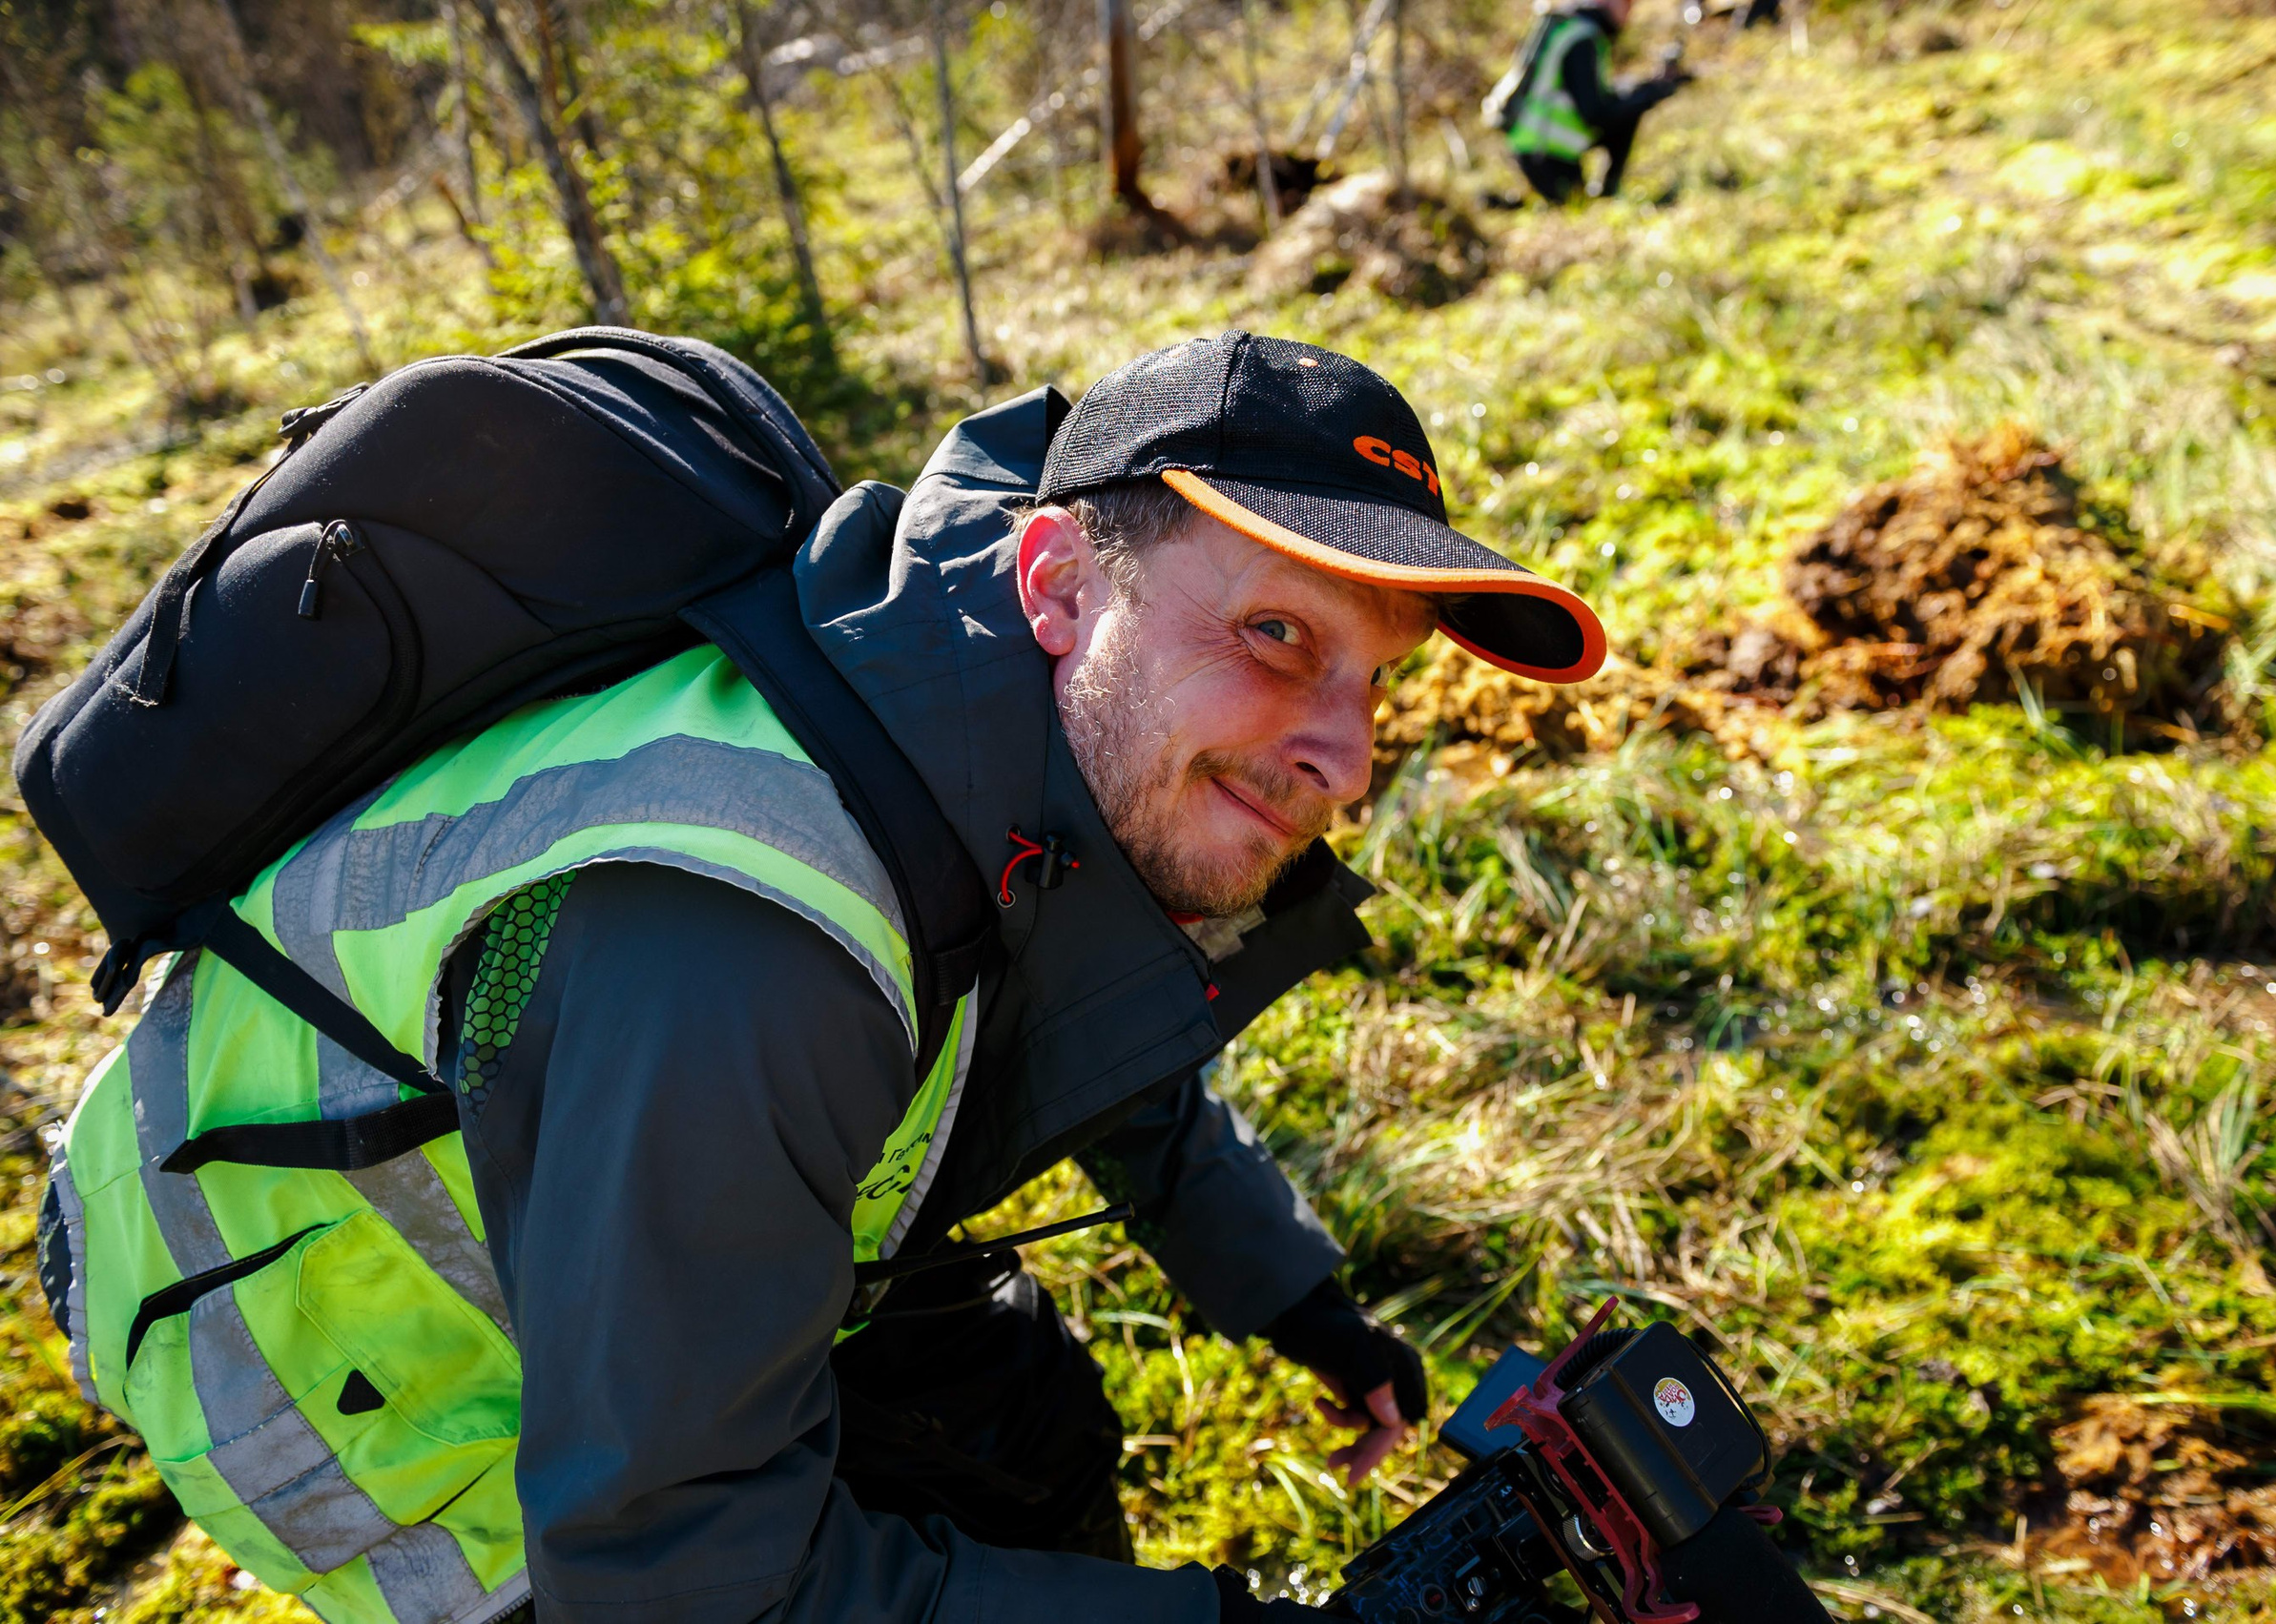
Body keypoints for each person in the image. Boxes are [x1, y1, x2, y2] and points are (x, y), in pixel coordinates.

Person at [100, 331, 1606, 1624]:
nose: (1343, 752)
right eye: (1279, 633)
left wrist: (1307, 1309)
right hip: (335, 1334)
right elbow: (678, 1575)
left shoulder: (986, 690)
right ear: (1060, 579)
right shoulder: (754, 941)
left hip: (634, 1191)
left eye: (1372, 677)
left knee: (1021, 1423)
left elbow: (1098, 1028)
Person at [1498, 0, 1687, 202]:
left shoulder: (1576, 29)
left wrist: (1646, 88)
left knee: (1632, 102)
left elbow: (1600, 98)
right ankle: (1606, 193)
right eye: (1627, 4)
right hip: (1543, 155)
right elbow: (1595, 114)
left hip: (1539, 150)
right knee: (1631, 108)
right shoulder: (1581, 37)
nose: (1630, 11)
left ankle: (1605, 191)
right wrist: (1651, 94)